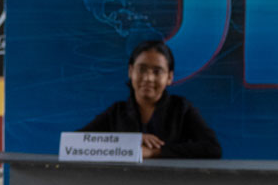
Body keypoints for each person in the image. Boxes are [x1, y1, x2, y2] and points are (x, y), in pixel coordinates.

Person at [80, 40, 222, 159]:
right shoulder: (116, 112)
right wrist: (131, 141)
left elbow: (212, 148)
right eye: (141, 69)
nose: (148, 78)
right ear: (130, 71)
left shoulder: (181, 109)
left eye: (157, 71)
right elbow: (76, 143)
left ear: (169, 77)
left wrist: (156, 152)